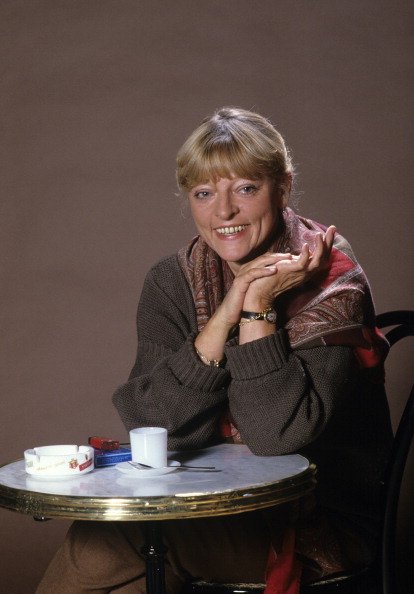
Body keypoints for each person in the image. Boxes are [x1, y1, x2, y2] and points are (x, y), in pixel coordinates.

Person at [37, 107, 392, 594]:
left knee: (101, 544)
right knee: (130, 582)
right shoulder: (173, 279)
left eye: (245, 188)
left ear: (283, 187)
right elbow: (151, 424)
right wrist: (224, 316)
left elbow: (274, 434)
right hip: (208, 507)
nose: (223, 212)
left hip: (317, 523)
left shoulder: (332, 279)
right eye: (204, 193)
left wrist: (259, 306)